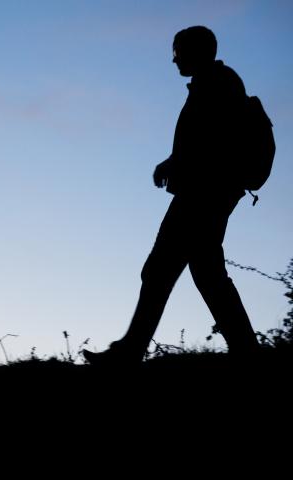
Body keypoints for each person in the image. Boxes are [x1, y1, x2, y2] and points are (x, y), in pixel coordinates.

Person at [84, 26, 259, 366]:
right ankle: (247, 350)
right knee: (205, 275)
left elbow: (212, 142)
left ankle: (130, 352)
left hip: (202, 195)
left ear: (197, 50)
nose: (174, 57)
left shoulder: (217, 84)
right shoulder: (216, 83)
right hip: (208, 192)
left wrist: (177, 163)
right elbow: (205, 140)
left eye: (178, 50)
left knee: (161, 270)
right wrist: (172, 161)